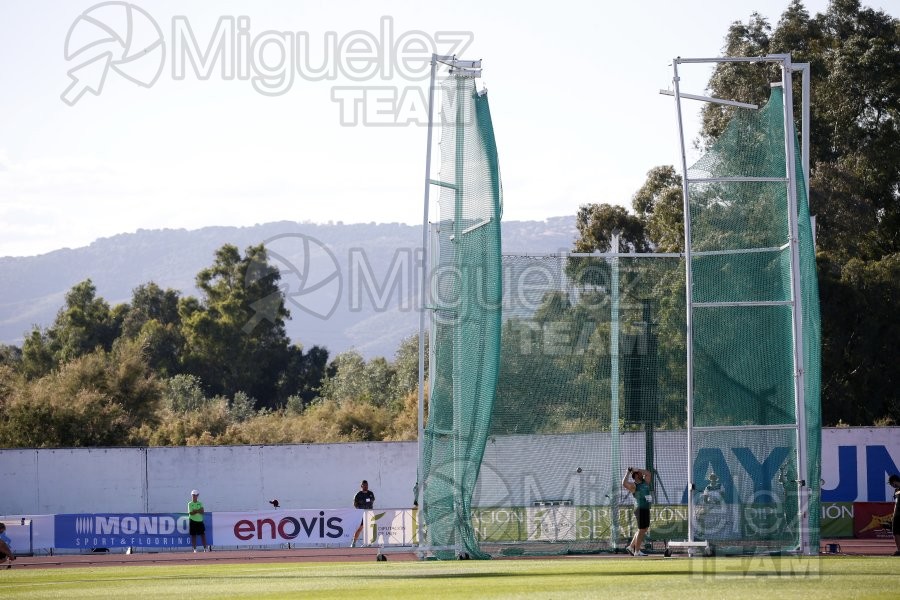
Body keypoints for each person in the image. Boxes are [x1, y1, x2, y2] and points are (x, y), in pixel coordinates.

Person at [622, 467, 652, 556]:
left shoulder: (645, 482)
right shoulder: (634, 486)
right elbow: (624, 483)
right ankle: (637, 551)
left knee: (644, 529)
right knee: (641, 530)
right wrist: (628, 472)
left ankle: (631, 547)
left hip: (646, 509)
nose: (641, 474)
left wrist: (637, 469)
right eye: (638, 473)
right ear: (635, 476)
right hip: (640, 509)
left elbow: (648, 473)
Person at [351, 479, 375, 548]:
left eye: (367, 485)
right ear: (361, 486)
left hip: (370, 514)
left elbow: (372, 501)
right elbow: (355, 504)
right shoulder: (358, 495)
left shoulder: (370, 494)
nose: (366, 487)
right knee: (360, 528)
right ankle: (354, 542)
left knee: (370, 528)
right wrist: (360, 510)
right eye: (364, 485)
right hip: (361, 514)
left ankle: (368, 542)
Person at [889, 474, 900, 556]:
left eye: (892, 483)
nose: (892, 486)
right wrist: (893, 513)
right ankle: (899, 550)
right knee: (895, 532)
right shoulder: (896, 490)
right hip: (897, 514)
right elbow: (896, 503)